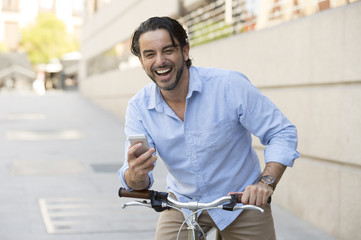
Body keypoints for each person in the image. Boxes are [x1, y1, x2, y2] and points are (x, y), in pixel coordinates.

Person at [118, 16, 300, 240]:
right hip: (183, 204)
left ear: (185, 51)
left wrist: (265, 183)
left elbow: (281, 132)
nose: (160, 61)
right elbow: (137, 181)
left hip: (241, 201)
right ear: (141, 61)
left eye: (168, 51)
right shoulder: (139, 107)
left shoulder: (228, 85)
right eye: (150, 54)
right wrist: (135, 174)